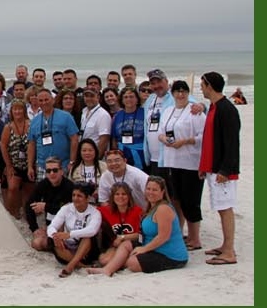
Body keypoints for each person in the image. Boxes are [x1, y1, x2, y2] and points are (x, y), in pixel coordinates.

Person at [94, 176, 188, 275]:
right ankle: (107, 270)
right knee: (126, 244)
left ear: (162, 192)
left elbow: (163, 237)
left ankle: (116, 264)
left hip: (169, 254)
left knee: (132, 262)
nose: (150, 192)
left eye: (155, 190)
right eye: (148, 189)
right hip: (150, 245)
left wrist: (144, 249)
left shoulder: (163, 208)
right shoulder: (151, 207)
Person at [158, 79, 206, 251]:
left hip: (190, 162)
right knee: (176, 199)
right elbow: (161, 132)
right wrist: (165, 139)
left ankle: (195, 238)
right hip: (172, 161)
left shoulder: (195, 112)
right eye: (177, 91)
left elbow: (203, 136)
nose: (180, 94)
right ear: (172, 93)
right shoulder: (168, 111)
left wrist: (185, 141)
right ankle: (181, 232)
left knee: (190, 200)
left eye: (183, 91)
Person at [199, 71, 240, 265]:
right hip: (212, 167)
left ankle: (229, 251)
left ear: (209, 85)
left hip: (223, 170)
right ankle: (225, 245)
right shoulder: (213, 107)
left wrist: (225, 170)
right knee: (219, 206)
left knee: (225, 208)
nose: (201, 88)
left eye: (202, 84)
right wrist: (204, 166)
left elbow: (232, 143)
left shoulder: (226, 109)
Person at [87, 182, 143, 277]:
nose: (120, 197)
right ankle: (118, 263)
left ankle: (117, 264)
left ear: (129, 196)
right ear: (112, 197)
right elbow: (89, 209)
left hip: (133, 245)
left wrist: (122, 237)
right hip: (116, 246)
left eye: (124, 194)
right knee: (104, 260)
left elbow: (141, 235)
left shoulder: (138, 211)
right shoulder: (106, 210)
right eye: (117, 194)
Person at [47, 181, 102, 277]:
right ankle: (83, 266)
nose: (75, 198)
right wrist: (55, 236)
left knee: (87, 237)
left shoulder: (95, 212)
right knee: (52, 239)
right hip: (67, 248)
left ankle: (70, 266)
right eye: (74, 195)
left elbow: (92, 230)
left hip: (87, 250)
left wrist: (70, 234)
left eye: (79, 196)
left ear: (88, 198)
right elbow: (52, 226)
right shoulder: (66, 209)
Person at [26, 89, 79, 182]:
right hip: (43, 167)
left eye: (46, 100)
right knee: (44, 195)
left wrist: (72, 162)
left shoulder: (66, 117)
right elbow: (31, 144)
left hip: (63, 165)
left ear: (53, 100)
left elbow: (74, 139)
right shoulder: (35, 121)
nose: (44, 103)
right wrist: (30, 166)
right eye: (41, 101)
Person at [27, 157, 75, 253]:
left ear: (61, 171)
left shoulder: (69, 187)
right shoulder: (43, 184)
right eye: (48, 171)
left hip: (67, 225)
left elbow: (68, 211)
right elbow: (29, 205)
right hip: (51, 224)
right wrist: (34, 228)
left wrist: (46, 206)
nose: (52, 173)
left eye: (55, 170)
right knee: (36, 243)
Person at [1, 100, 32, 219]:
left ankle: (27, 214)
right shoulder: (8, 127)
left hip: (29, 163)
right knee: (13, 188)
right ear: (11, 111)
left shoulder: (31, 124)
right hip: (14, 163)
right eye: (15, 109)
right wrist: (8, 166)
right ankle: (11, 214)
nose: (17, 111)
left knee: (28, 191)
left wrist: (30, 165)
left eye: (20, 109)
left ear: (24, 111)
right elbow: (3, 146)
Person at [111, 87, 146, 170]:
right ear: (122, 100)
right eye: (125, 97)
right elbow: (114, 138)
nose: (128, 99)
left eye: (131, 96)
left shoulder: (144, 113)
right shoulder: (117, 116)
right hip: (122, 153)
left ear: (137, 99)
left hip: (140, 153)